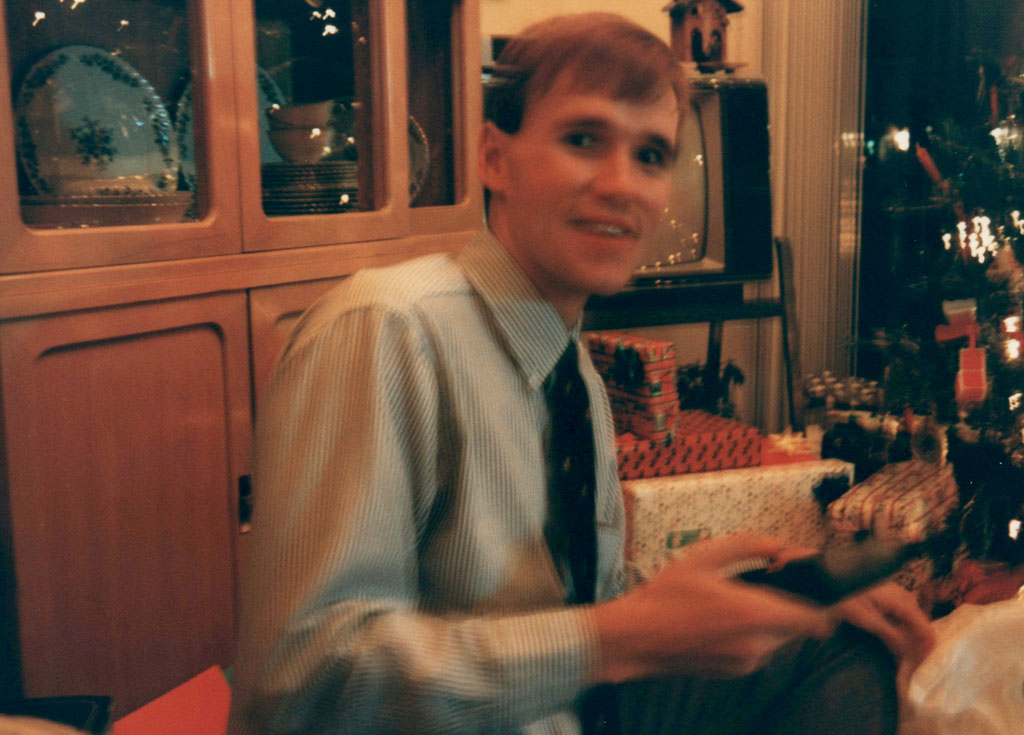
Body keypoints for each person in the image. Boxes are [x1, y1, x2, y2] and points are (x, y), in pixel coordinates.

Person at [227, 13, 935, 735]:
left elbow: (575, 601)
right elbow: (299, 685)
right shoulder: (386, 329)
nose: (622, 185)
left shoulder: (574, 375)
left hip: (568, 711)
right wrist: (615, 640)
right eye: (583, 139)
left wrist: (777, 597)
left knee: (841, 646)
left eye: (651, 155)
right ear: (493, 158)